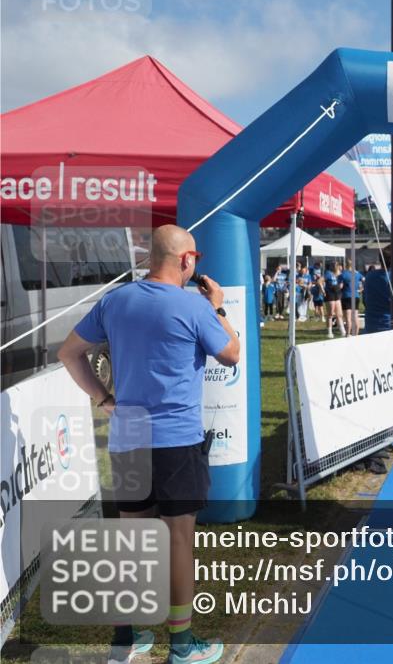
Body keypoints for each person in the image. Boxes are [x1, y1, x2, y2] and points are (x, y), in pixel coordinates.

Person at [57, 225, 239, 664]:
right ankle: (180, 645)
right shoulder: (194, 306)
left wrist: (104, 400)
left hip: (129, 434)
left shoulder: (115, 300)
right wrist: (218, 308)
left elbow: (68, 353)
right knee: (179, 541)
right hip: (177, 438)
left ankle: (126, 639)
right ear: (186, 261)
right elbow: (231, 354)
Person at [324, 262, 346, 338]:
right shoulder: (328, 273)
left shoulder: (339, 274)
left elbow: (341, 282)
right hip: (330, 295)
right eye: (337, 265)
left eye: (339, 265)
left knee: (339, 314)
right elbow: (319, 281)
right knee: (330, 314)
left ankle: (343, 331)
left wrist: (341, 285)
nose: (339, 267)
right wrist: (323, 290)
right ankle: (329, 332)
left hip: (337, 294)